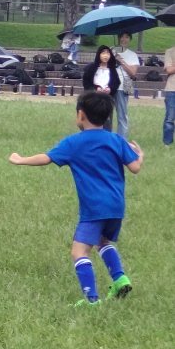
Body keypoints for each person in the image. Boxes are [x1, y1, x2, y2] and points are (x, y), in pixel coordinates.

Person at [8, 92, 142, 306]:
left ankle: (91, 301)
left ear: (81, 115)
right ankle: (120, 279)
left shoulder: (75, 143)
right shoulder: (116, 139)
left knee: (79, 251)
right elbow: (135, 167)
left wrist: (20, 159)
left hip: (94, 208)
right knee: (103, 241)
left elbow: (46, 158)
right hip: (116, 206)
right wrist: (139, 156)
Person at [82, 46, 121, 132]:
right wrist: (95, 89)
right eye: (103, 53)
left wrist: (110, 89)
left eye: (107, 53)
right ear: (99, 54)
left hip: (107, 99)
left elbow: (116, 82)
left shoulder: (112, 69)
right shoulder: (92, 68)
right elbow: (86, 82)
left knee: (107, 122)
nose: (105, 55)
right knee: (91, 120)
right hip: (93, 98)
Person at [113, 32, 140, 139]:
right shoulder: (111, 51)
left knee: (122, 115)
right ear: (118, 38)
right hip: (109, 86)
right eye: (122, 37)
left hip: (122, 87)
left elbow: (133, 73)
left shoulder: (132, 55)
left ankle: (122, 140)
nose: (124, 39)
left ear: (130, 39)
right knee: (106, 115)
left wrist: (121, 61)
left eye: (127, 37)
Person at [166, 42, 175, 146]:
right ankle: (167, 143)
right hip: (172, 88)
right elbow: (169, 70)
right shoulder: (169, 51)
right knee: (170, 118)